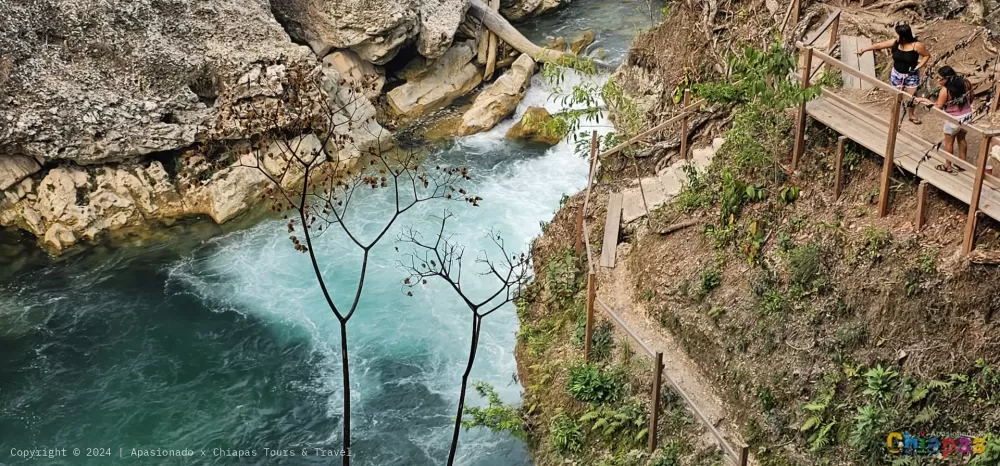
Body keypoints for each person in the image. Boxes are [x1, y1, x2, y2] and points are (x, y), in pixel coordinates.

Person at [857, 24, 930, 124]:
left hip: (911, 75)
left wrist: (919, 66)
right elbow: (879, 45)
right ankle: (894, 115)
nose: (896, 36)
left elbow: (926, 55)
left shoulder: (917, 45)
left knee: (911, 97)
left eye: (898, 34)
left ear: (904, 37)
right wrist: (863, 50)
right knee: (896, 95)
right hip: (897, 74)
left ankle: (911, 115)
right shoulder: (896, 42)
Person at [916, 66, 973, 173]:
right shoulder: (966, 83)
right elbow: (971, 98)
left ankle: (948, 165)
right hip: (967, 117)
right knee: (962, 139)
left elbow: (938, 107)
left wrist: (924, 100)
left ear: (947, 78)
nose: (937, 80)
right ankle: (962, 164)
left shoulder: (945, 91)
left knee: (949, 143)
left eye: (939, 78)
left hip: (953, 119)